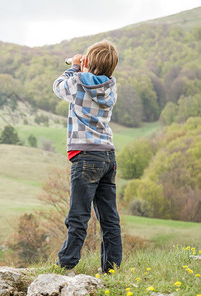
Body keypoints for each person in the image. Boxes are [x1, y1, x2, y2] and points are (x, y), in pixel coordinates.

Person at [52, 40, 122, 274]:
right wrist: (86, 68)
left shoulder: (77, 83)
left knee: (79, 215)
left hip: (86, 157)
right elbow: (96, 80)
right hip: (107, 156)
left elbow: (58, 86)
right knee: (109, 217)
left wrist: (73, 66)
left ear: (87, 63)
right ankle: (111, 268)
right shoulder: (111, 87)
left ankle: (67, 264)